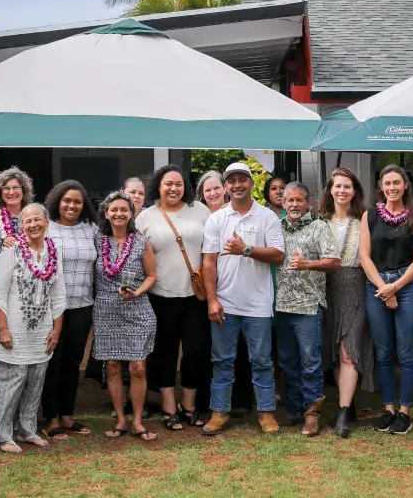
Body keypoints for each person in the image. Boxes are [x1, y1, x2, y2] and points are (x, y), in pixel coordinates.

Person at [201, 162, 285, 436]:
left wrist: (246, 249)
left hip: (258, 304)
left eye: (242, 180)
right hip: (225, 302)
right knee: (222, 360)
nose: (237, 185)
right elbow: (209, 262)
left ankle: (266, 414)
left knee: (261, 361)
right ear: (226, 187)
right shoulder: (217, 219)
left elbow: (278, 255)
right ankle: (219, 412)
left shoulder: (267, 217)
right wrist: (212, 299)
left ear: (251, 184)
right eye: (231, 181)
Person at [136, 165, 213, 431]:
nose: (174, 188)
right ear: (158, 186)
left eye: (179, 184)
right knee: (164, 352)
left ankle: (189, 406)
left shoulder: (200, 211)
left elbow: (211, 251)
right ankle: (169, 407)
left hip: (196, 296)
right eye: (168, 183)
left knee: (195, 350)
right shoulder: (146, 217)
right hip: (161, 296)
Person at [359, 165, 413, 436]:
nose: (392, 187)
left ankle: (405, 412)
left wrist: (396, 287)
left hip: (407, 285)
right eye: (387, 183)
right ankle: (388, 409)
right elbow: (364, 256)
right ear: (381, 186)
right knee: (384, 353)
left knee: (406, 353)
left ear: (405, 185)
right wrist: (383, 288)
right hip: (376, 286)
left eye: (396, 183)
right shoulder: (371, 215)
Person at [0, 204, 66, 453]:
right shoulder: (11, 252)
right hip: (13, 328)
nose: (33, 225)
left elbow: (59, 294)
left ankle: (27, 430)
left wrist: (56, 330)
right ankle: (2, 435)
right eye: (27, 221)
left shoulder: (54, 252)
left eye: (38, 219)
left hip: (42, 330)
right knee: (11, 381)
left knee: (35, 381)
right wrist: (3, 329)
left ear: (47, 222)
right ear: (21, 226)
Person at [92, 191, 159, 441]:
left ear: (131, 213)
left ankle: (138, 421)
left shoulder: (142, 241)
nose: (119, 213)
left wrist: (136, 292)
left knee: (138, 368)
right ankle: (120, 420)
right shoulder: (97, 240)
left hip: (137, 308)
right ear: (106, 213)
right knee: (111, 367)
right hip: (106, 311)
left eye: (124, 209)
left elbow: (151, 275)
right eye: (114, 209)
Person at [276, 181, 340, 436]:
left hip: (309, 306)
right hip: (281, 305)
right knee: (287, 361)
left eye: (299, 200)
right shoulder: (277, 227)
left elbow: (334, 261)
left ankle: (311, 413)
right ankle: (292, 409)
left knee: (310, 362)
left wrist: (308, 264)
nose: (294, 205)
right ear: (282, 203)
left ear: (308, 203)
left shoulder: (319, 226)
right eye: (289, 200)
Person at [319, 168, 375, 438]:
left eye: (347, 186)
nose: (342, 190)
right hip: (328, 288)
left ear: (355, 191)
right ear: (330, 190)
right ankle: (347, 404)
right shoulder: (320, 220)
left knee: (349, 350)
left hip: (356, 286)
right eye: (337, 186)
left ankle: (342, 415)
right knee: (336, 350)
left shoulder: (365, 219)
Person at [41, 180, 99, 439]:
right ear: (57, 202)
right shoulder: (46, 228)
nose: (72, 205)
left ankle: (67, 415)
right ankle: (50, 418)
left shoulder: (91, 229)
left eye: (77, 201)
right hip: (52, 308)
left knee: (74, 362)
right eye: (67, 201)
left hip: (82, 305)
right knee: (52, 362)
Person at [0, 167, 34, 325]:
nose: (11, 192)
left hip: (26, 290)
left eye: (16, 187)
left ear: (23, 190)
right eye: (6, 188)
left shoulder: (33, 217)